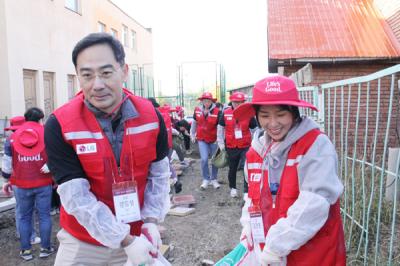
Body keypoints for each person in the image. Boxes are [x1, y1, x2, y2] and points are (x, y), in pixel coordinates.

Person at [44, 33, 171, 266]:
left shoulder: (152, 117)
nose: (97, 85)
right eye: (87, 75)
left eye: (106, 72)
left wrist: (151, 221)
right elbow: (77, 198)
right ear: (78, 78)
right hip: (83, 243)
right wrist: (124, 239)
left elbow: (160, 174)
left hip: (139, 237)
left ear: (124, 71)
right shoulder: (60, 125)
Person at [234, 75, 346, 265]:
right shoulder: (256, 153)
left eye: (280, 114)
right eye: (265, 115)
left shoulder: (314, 146)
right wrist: (249, 230)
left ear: (294, 113)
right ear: (256, 116)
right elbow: (251, 198)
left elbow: (314, 204)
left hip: (313, 253)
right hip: (271, 254)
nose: (273, 123)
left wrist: (276, 245)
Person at [5, 108, 54, 261]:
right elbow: (58, 153)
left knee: (24, 217)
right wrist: (51, 166)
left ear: (25, 119)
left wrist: (6, 179)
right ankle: (46, 249)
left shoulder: (13, 137)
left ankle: (26, 251)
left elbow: (6, 164)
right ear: (41, 119)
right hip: (43, 182)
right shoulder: (47, 133)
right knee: (45, 216)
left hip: (20, 183)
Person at [2, 116, 41, 246]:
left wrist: (7, 180)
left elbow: (7, 166)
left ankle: (22, 233)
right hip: (31, 179)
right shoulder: (33, 138)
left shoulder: (9, 141)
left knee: (21, 209)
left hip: (16, 180)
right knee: (28, 210)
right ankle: (30, 236)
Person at [217, 92, 258, 198]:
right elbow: (220, 129)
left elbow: (255, 129)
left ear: (243, 102)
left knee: (246, 167)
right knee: (232, 168)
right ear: (232, 102)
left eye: (240, 102)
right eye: (235, 102)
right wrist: (221, 143)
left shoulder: (249, 113)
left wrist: (255, 143)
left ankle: (246, 191)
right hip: (231, 146)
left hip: (245, 145)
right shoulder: (225, 113)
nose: (237, 104)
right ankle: (233, 188)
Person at [190, 92, 221, 189]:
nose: (206, 103)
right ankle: (206, 179)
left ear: (211, 101)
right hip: (202, 139)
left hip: (213, 139)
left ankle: (214, 179)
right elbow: (194, 123)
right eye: (204, 101)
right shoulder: (197, 110)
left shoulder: (217, 112)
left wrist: (220, 140)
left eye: (208, 101)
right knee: (204, 159)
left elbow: (220, 127)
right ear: (202, 101)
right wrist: (192, 134)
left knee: (214, 160)